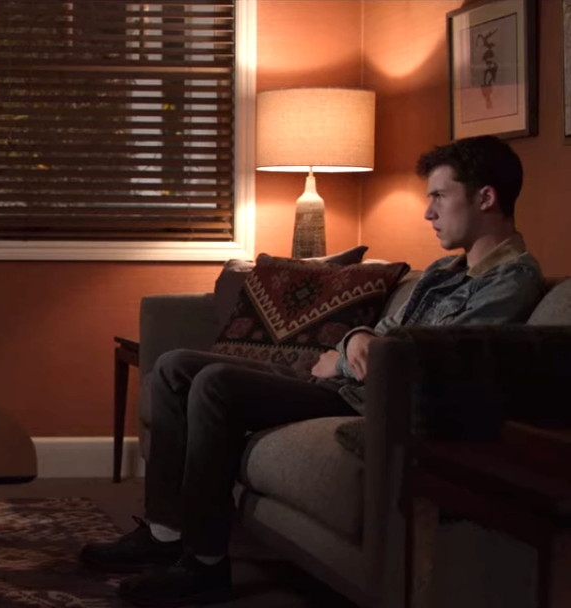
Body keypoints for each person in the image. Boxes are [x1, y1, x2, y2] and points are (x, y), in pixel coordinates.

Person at [81, 134, 545, 606]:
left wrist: (350, 353)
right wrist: (355, 340)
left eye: (439, 196)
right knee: (174, 365)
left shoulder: (512, 279)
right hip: (342, 381)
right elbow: (381, 333)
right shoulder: (444, 271)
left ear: (485, 198)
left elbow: (430, 355)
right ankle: (164, 534)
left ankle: (204, 565)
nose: (428, 212)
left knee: (215, 384)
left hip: (362, 400)